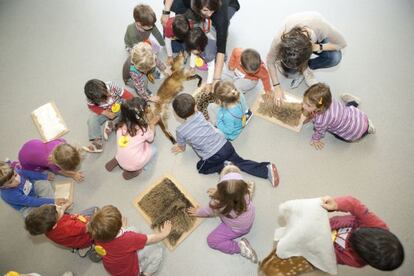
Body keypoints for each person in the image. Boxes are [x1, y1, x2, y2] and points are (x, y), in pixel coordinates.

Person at [171, 93, 279, 186]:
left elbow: (182, 147)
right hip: (225, 145)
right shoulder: (199, 115)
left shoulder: (180, 131)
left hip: (212, 156)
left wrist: (180, 147)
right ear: (195, 108)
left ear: (177, 114)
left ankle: (225, 166)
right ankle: (266, 170)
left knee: (200, 168)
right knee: (240, 162)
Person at [267, 11, 347, 105]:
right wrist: (276, 87)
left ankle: (306, 70)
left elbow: (342, 44)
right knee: (290, 72)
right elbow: (270, 61)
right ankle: (303, 70)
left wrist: (319, 47)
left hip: (315, 39)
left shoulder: (321, 25)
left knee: (335, 58)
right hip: (303, 43)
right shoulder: (281, 38)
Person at [162, 0, 240, 89]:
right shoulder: (192, 4)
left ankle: (217, 27)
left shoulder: (220, 16)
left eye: (212, 10)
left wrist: (215, 80)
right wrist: (166, 12)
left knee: (217, 28)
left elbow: (221, 49)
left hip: (228, 5)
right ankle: (185, 23)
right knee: (175, 46)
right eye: (206, 10)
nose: (210, 14)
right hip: (194, 8)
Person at [188, 164, 258, 263]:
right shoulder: (246, 191)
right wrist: (219, 192)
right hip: (247, 222)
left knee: (212, 241)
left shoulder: (218, 204)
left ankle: (240, 248)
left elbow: (207, 211)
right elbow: (232, 190)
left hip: (237, 229)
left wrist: (198, 212)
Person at [322, 195, 404, 270]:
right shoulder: (377, 225)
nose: (351, 235)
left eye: (351, 243)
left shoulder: (356, 261)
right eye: (358, 230)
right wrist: (336, 204)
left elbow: (332, 256)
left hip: (323, 244)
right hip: (330, 224)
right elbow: (353, 204)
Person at [87, 205, 172, 276]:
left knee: (132, 229)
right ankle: (145, 274)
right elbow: (151, 239)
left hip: (113, 268)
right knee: (158, 250)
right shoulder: (128, 238)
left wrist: (122, 229)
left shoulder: (97, 235)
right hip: (131, 272)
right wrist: (164, 234)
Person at [302, 83, 375, 150]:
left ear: (320, 108)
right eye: (304, 101)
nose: (303, 106)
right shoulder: (329, 100)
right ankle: (354, 103)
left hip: (354, 133)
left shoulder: (320, 120)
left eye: (308, 105)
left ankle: (368, 129)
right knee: (346, 110)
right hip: (359, 117)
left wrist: (315, 139)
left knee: (337, 135)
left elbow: (320, 132)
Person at [105, 97, 159, 180]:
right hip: (134, 164)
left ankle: (116, 160)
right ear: (140, 115)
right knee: (154, 149)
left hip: (121, 156)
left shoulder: (120, 125)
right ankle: (134, 171)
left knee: (126, 147)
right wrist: (152, 124)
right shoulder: (143, 130)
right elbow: (151, 139)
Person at [83, 79, 134, 153]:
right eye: (102, 101)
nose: (106, 100)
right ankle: (97, 143)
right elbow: (92, 107)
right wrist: (104, 112)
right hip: (105, 110)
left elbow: (128, 96)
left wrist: (134, 104)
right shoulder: (90, 99)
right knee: (91, 119)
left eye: (107, 96)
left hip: (119, 106)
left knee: (126, 111)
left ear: (106, 88)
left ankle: (112, 125)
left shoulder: (112, 86)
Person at [0, 161, 66, 217]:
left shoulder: (14, 171)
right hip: (26, 206)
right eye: (11, 182)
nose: (17, 180)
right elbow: (30, 201)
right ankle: (53, 207)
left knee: (43, 183)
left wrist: (44, 176)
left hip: (32, 187)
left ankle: (52, 206)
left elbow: (28, 173)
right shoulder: (10, 195)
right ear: (2, 187)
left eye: (15, 175)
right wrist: (52, 201)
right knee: (34, 216)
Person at [25, 203, 96, 251]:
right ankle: (92, 244)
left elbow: (58, 215)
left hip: (73, 236)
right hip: (86, 237)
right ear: (55, 225)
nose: (59, 207)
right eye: (58, 210)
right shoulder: (68, 227)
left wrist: (63, 207)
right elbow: (88, 227)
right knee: (95, 209)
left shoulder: (47, 227)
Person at [18, 139, 84, 182]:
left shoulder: (61, 142)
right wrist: (73, 175)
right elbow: (61, 171)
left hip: (30, 145)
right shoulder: (51, 163)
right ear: (57, 164)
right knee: (40, 171)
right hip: (26, 162)